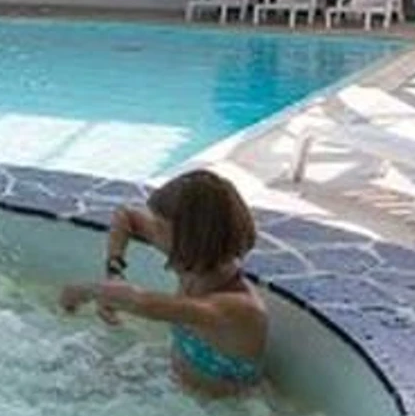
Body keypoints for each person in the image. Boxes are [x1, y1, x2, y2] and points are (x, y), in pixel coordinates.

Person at [59, 168, 268, 397]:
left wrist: (85, 291)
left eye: (159, 226)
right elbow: (126, 215)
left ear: (189, 239)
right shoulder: (196, 263)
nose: (153, 231)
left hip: (223, 414)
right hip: (175, 388)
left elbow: (143, 303)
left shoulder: (240, 309)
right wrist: (114, 270)